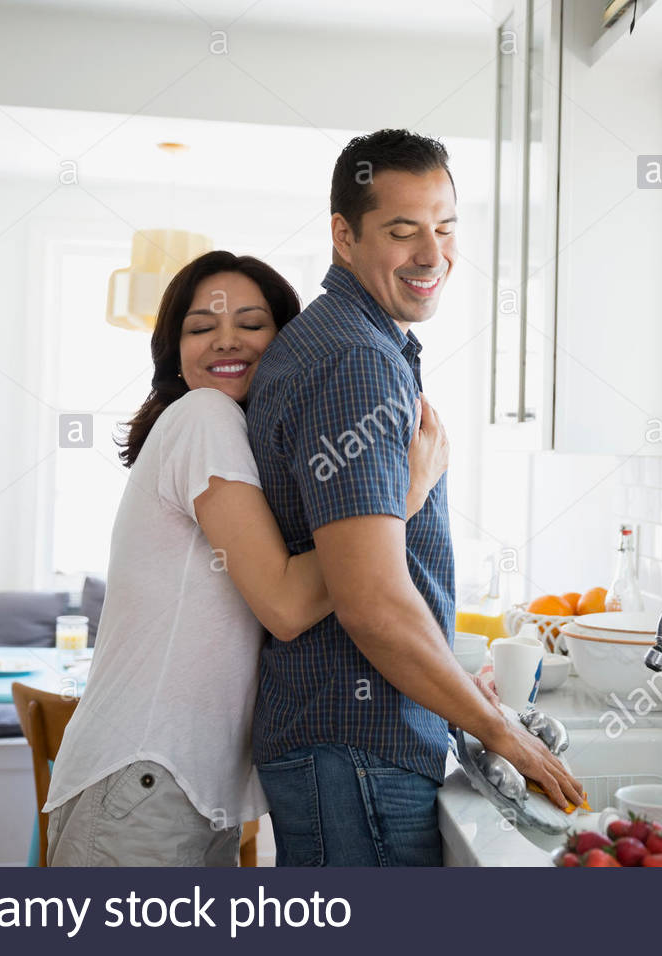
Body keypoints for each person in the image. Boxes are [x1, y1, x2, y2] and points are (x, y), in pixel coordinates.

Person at [246, 129, 585, 868]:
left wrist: (463, 689)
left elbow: (368, 578)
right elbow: (370, 602)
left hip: (341, 744)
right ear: (344, 235)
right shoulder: (355, 364)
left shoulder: (353, 343)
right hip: (356, 746)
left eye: (446, 228)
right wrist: (500, 731)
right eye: (403, 232)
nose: (433, 255)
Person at [43, 250, 449, 866]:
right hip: (145, 784)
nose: (225, 341)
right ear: (173, 352)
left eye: (251, 324)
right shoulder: (202, 417)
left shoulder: (233, 442)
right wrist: (405, 495)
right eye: (201, 328)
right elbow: (287, 605)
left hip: (176, 790)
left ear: (284, 336)